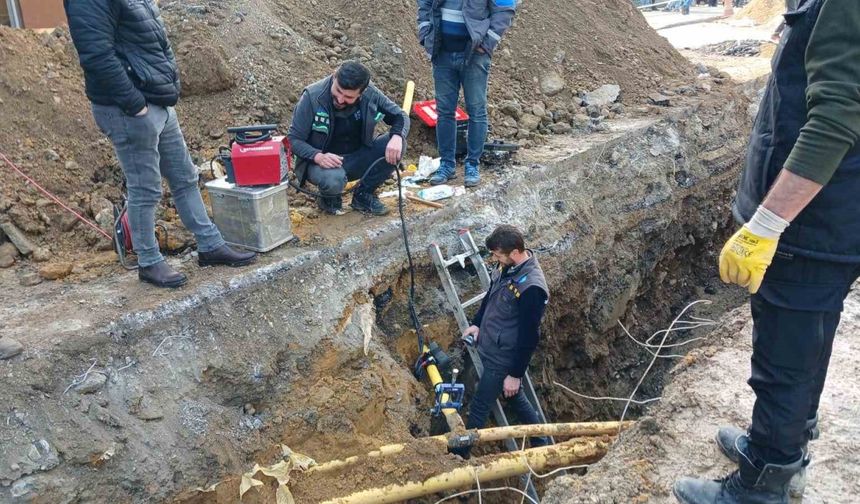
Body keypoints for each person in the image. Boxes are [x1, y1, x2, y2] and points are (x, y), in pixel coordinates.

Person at [673, 1, 860, 503]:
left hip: (810, 226)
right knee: (809, 340)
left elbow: (837, 116)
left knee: (783, 358)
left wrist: (766, 225)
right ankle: (785, 446)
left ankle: (766, 478)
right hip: (834, 220)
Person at [64, 0, 256, 289]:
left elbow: (156, 38)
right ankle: (149, 261)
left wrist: (167, 86)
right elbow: (96, 55)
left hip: (158, 101)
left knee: (185, 176)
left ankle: (210, 244)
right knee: (146, 188)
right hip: (130, 108)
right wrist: (135, 105)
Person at [455, 225, 550, 457]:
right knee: (516, 399)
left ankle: (458, 457)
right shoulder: (507, 268)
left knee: (478, 409)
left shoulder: (532, 288)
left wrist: (515, 375)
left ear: (515, 252)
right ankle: (543, 443)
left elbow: (530, 336)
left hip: (503, 358)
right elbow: (491, 295)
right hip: (490, 344)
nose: (494, 259)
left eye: (498, 254)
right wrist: (477, 322)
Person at [288, 61, 410, 216]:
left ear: (361, 93)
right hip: (320, 164)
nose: (339, 99)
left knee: (398, 144)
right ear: (334, 77)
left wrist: (398, 136)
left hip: (356, 157)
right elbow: (293, 139)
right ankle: (329, 199)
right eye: (338, 91)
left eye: (348, 97)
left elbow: (401, 116)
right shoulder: (312, 96)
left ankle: (363, 196)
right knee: (334, 178)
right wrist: (317, 156)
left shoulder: (370, 94)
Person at [416, 0, 517, 188]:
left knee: (476, 110)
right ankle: (447, 165)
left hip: (474, 54)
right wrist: (425, 33)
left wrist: (487, 44)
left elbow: (504, 11)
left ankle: (472, 165)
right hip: (443, 52)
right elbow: (424, 4)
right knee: (445, 111)